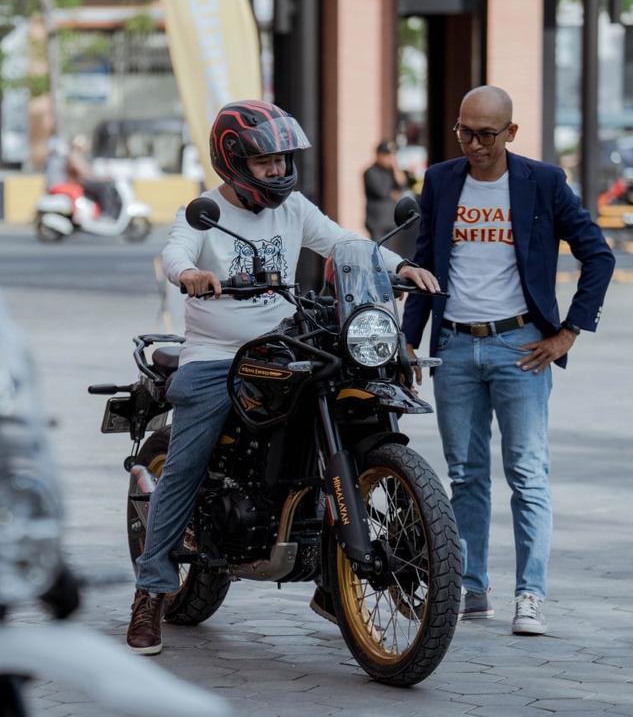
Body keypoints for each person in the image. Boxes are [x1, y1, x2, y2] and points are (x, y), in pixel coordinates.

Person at [126, 99, 440, 655]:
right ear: (234, 162)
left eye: (281, 160)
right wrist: (194, 274)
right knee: (185, 465)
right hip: (216, 353)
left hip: (283, 344)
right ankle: (151, 591)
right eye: (265, 162)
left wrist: (400, 267)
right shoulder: (204, 212)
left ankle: (331, 579)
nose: (278, 170)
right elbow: (175, 254)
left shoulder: (293, 208)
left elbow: (345, 243)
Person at [402, 86, 615, 636]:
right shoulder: (442, 180)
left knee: (527, 474)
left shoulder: (542, 182)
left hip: (520, 347)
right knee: (465, 474)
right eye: (464, 131)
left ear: (511, 133)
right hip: (453, 347)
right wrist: (409, 340)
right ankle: (472, 588)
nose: (473, 144)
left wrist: (569, 332)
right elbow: (425, 265)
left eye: (485, 134)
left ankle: (531, 594)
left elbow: (599, 255)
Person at [363, 140, 412, 256]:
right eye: (386, 155)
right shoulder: (370, 172)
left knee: (392, 255)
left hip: (392, 221)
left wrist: (395, 166)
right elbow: (381, 192)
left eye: (392, 155)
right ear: (378, 154)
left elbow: (402, 184)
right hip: (377, 222)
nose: (389, 158)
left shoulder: (392, 171)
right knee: (379, 254)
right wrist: (393, 193)